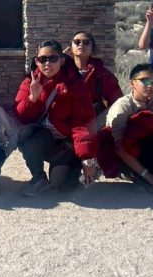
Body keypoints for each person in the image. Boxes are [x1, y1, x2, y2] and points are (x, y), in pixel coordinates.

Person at [14, 40, 98, 196]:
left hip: (66, 144)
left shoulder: (74, 84)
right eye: (42, 59)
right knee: (27, 133)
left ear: (62, 60)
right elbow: (21, 117)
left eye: (52, 58)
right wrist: (33, 98)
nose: (47, 63)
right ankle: (38, 178)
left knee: (63, 186)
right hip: (44, 139)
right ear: (36, 61)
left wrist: (86, 157)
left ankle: (80, 166)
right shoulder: (30, 81)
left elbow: (82, 122)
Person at [101, 64, 153, 193]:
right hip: (121, 157)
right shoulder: (123, 106)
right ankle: (138, 174)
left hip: (143, 151)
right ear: (132, 83)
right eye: (145, 81)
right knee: (151, 137)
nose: (151, 86)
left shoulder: (152, 103)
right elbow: (119, 147)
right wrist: (148, 176)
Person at [67, 30, 123, 129]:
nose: (81, 44)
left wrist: (106, 123)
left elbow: (117, 101)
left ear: (92, 49)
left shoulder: (101, 73)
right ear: (71, 48)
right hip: (67, 120)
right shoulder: (63, 71)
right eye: (77, 42)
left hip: (94, 123)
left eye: (86, 42)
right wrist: (60, 57)